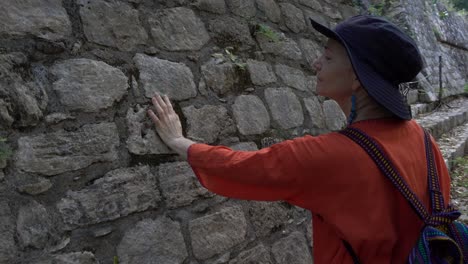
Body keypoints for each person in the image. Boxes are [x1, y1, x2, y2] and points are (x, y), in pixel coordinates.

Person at [147, 15, 452, 263]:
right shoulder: (423, 140)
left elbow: (238, 168)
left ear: (358, 77)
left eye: (328, 57)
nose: (316, 63)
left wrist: (178, 141)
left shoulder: (329, 157)